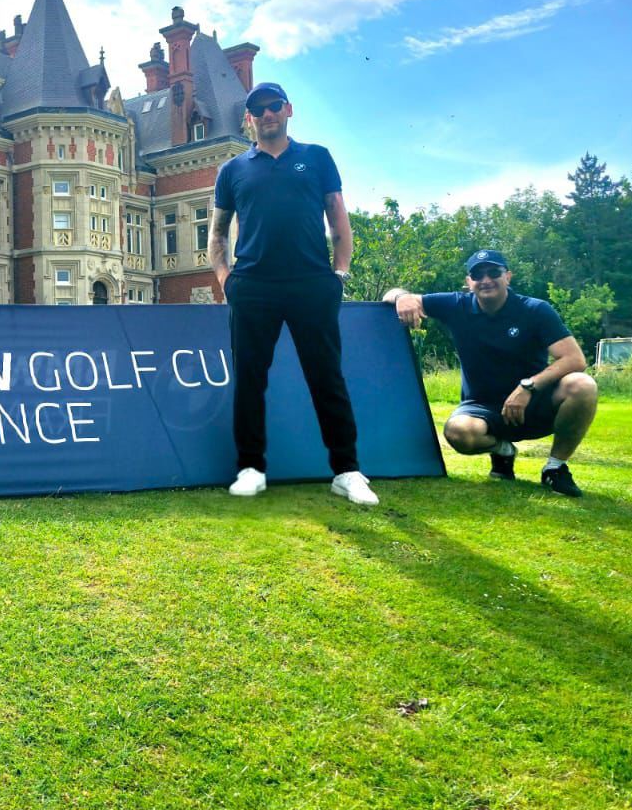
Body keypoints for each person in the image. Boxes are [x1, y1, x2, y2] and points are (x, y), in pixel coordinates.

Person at [209, 81, 378, 505]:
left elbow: (338, 218)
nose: (267, 114)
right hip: (253, 285)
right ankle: (250, 468)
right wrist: (226, 279)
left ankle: (347, 470)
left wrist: (339, 273)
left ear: (288, 110)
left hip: (311, 283)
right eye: (258, 109)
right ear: (249, 118)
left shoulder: (317, 157)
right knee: (250, 380)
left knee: (326, 377)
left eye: (274, 106)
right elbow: (217, 232)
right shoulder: (233, 170)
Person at [384, 249, 597, 496]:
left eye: (494, 272)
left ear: (508, 276)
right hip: (482, 407)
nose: (486, 280)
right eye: (478, 275)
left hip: (535, 402)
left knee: (583, 385)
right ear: (469, 282)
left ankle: (555, 467)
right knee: (458, 432)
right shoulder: (456, 305)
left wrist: (528, 387)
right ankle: (503, 451)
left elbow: (574, 359)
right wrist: (404, 297)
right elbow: (390, 295)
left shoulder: (536, 310)